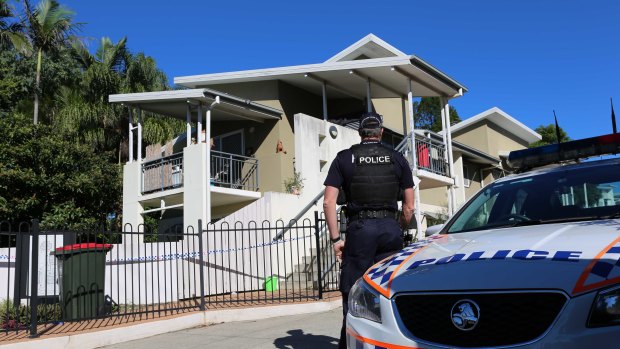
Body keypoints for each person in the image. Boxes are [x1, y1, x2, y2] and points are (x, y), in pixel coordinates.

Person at [323, 112, 416, 349]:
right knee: (389, 289)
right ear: (381, 132)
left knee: (353, 289)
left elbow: (328, 202)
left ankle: (351, 343)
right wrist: (398, 227)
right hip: (389, 229)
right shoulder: (398, 158)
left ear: (360, 133)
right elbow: (409, 206)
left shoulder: (344, 158)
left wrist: (336, 239)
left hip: (359, 230)